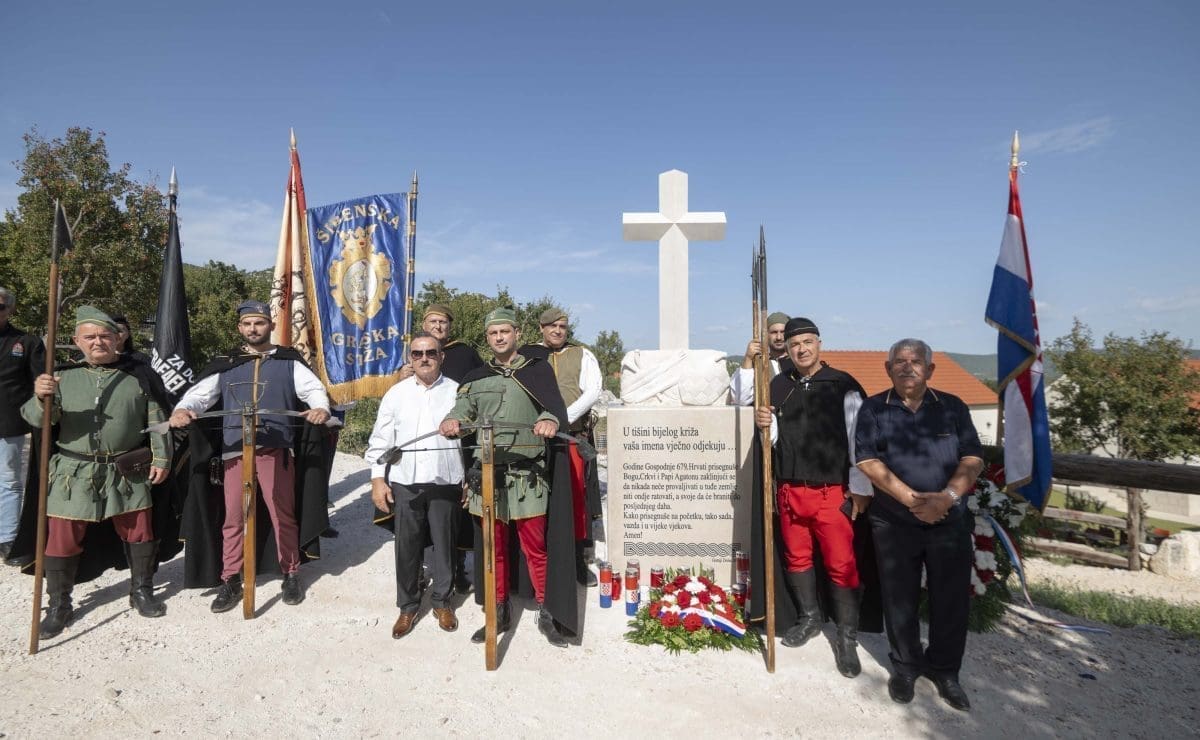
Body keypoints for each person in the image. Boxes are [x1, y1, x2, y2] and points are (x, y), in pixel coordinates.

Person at [170, 300, 331, 612]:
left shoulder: (288, 361)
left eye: (259, 323)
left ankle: (291, 571)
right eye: (247, 324)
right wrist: (183, 409)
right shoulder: (227, 363)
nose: (253, 329)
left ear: (270, 325)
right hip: (234, 451)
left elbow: (313, 390)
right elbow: (199, 396)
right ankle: (231, 577)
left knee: (281, 512)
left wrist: (320, 407)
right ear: (239, 329)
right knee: (233, 517)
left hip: (275, 450)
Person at [20, 306, 172, 637]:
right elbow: (37, 420)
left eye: (105, 335)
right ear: (77, 341)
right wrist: (40, 396)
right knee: (61, 539)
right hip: (72, 471)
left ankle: (141, 591)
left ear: (119, 339)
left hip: (127, 470)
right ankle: (59, 605)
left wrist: (161, 459)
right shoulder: (61, 377)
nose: (98, 341)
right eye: (90, 337)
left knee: (140, 532)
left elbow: (158, 422)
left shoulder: (139, 378)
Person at [854, 338, 984, 711]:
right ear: (888, 368)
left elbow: (972, 459)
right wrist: (911, 500)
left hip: (949, 521)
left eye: (915, 361)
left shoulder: (953, 408)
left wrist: (947, 498)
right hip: (895, 521)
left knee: (951, 599)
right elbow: (867, 462)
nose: (907, 366)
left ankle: (945, 671)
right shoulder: (873, 409)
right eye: (899, 361)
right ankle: (906, 666)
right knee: (900, 598)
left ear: (930, 369)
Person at [439, 307, 578, 648]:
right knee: (492, 550)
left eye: (504, 331)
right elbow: (462, 410)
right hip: (486, 478)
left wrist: (549, 420)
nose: (499, 337)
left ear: (516, 333)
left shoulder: (537, 371)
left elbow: (552, 408)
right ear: (487, 338)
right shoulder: (475, 377)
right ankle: (498, 611)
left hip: (527, 478)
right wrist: (451, 421)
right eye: (492, 333)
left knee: (536, 549)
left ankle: (547, 610)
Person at [753, 317, 873, 677]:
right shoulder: (777, 385)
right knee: (796, 557)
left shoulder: (843, 385)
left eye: (807, 342)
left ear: (819, 343)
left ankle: (847, 637)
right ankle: (809, 619)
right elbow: (773, 442)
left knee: (841, 564)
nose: (801, 349)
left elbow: (859, 439)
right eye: (794, 345)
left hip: (830, 491)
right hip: (791, 489)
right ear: (786, 350)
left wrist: (860, 488)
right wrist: (764, 423)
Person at [365, 331, 463, 638]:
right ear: (410, 358)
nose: (424, 359)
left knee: (445, 546)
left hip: (445, 480)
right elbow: (382, 439)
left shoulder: (459, 392)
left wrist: (469, 480)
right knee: (406, 548)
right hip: (405, 481)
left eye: (431, 353)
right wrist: (378, 478)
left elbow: (469, 440)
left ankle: (442, 601)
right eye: (418, 354)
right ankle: (407, 606)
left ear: (441, 356)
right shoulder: (396, 393)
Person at [399, 303, 483, 593]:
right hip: (416, 447)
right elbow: (395, 400)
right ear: (425, 324)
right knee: (415, 523)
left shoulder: (465, 353)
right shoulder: (412, 352)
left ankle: (456, 568)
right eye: (433, 321)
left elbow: (479, 385)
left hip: (452, 445)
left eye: (443, 322)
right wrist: (401, 376)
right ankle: (420, 572)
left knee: (452, 516)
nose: (438, 326)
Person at [519, 308, 602, 587]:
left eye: (562, 326)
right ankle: (538, 564)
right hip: (533, 439)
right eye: (551, 326)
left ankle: (576, 561)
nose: (557, 330)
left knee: (574, 500)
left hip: (570, 438)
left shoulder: (582, 354)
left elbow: (593, 391)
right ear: (541, 328)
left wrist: (560, 418)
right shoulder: (527, 355)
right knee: (535, 500)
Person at [0, 287, 44, 561]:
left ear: (10, 309)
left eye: (0, 306)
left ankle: (7, 538)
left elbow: (38, 382)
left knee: (8, 482)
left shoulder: (26, 342)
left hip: (8, 424)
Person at [729, 311, 792, 405]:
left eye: (783, 332)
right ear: (766, 335)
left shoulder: (798, 362)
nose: (779, 337)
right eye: (774, 332)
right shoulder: (757, 363)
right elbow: (741, 399)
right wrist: (748, 358)